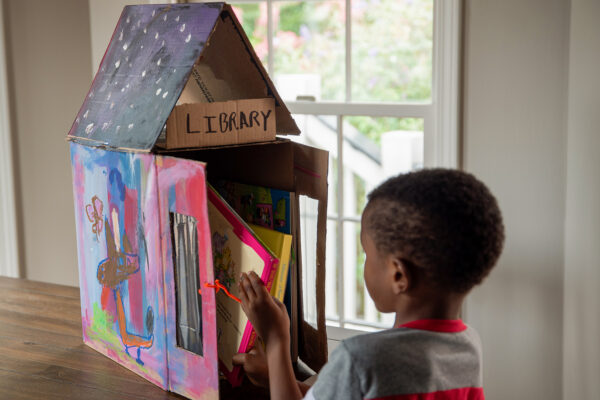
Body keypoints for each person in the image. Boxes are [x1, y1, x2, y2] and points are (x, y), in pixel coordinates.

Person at [234, 168, 505, 400]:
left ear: (398, 275)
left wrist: (276, 340)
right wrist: (277, 375)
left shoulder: (361, 358)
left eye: (368, 254)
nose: (365, 263)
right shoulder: (468, 347)